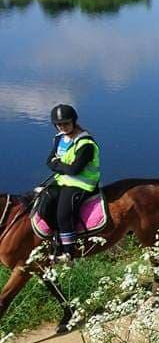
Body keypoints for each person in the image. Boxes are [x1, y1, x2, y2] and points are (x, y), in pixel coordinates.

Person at [42, 104, 101, 260]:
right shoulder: (59, 138)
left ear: (74, 121)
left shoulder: (85, 143)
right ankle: (56, 237)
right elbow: (49, 161)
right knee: (44, 203)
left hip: (81, 183)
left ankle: (69, 250)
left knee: (63, 213)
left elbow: (75, 170)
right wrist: (62, 166)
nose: (63, 127)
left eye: (66, 123)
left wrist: (58, 164)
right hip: (62, 180)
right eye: (59, 124)